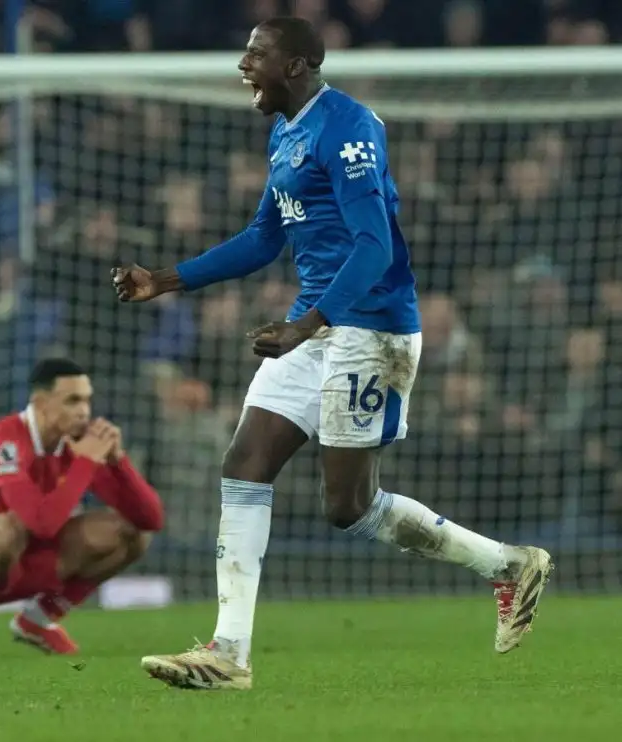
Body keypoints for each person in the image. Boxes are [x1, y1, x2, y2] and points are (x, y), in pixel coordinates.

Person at [112, 16, 552, 691]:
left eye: (256, 53)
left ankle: (508, 564)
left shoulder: (348, 127)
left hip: (370, 328)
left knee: (349, 506)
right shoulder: (285, 133)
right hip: (315, 326)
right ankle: (229, 651)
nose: (242, 64)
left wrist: (305, 323)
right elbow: (264, 238)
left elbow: (373, 246)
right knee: (245, 462)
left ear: (296, 65)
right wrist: (165, 280)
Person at [0, 358, 164, 660]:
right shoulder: (4, 442)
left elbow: (151, 519)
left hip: (20, 560)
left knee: (133, 533)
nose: (84, 411)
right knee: (8, 528)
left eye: (87, 400)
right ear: (41, 403)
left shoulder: (73, 444)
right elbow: (38, 523)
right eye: (72, 401)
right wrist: (86, 462)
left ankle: (38, 619)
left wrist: (117, 462)